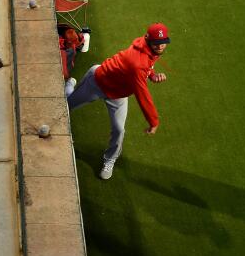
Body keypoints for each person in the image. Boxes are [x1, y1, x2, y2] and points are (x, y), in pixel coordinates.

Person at [67, 23, 171, 179]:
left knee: (119, 130)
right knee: (65, 107)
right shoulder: (138, 62)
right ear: (148, 40)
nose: (161, 46)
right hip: (97, 82)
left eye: (163, 42)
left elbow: (148, 65)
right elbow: (142, 94)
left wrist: (152, 75)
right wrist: (153, 121)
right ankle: (69, 88)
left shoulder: (148, 48)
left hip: (118, 95)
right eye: (156, 43)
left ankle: (110, 159)